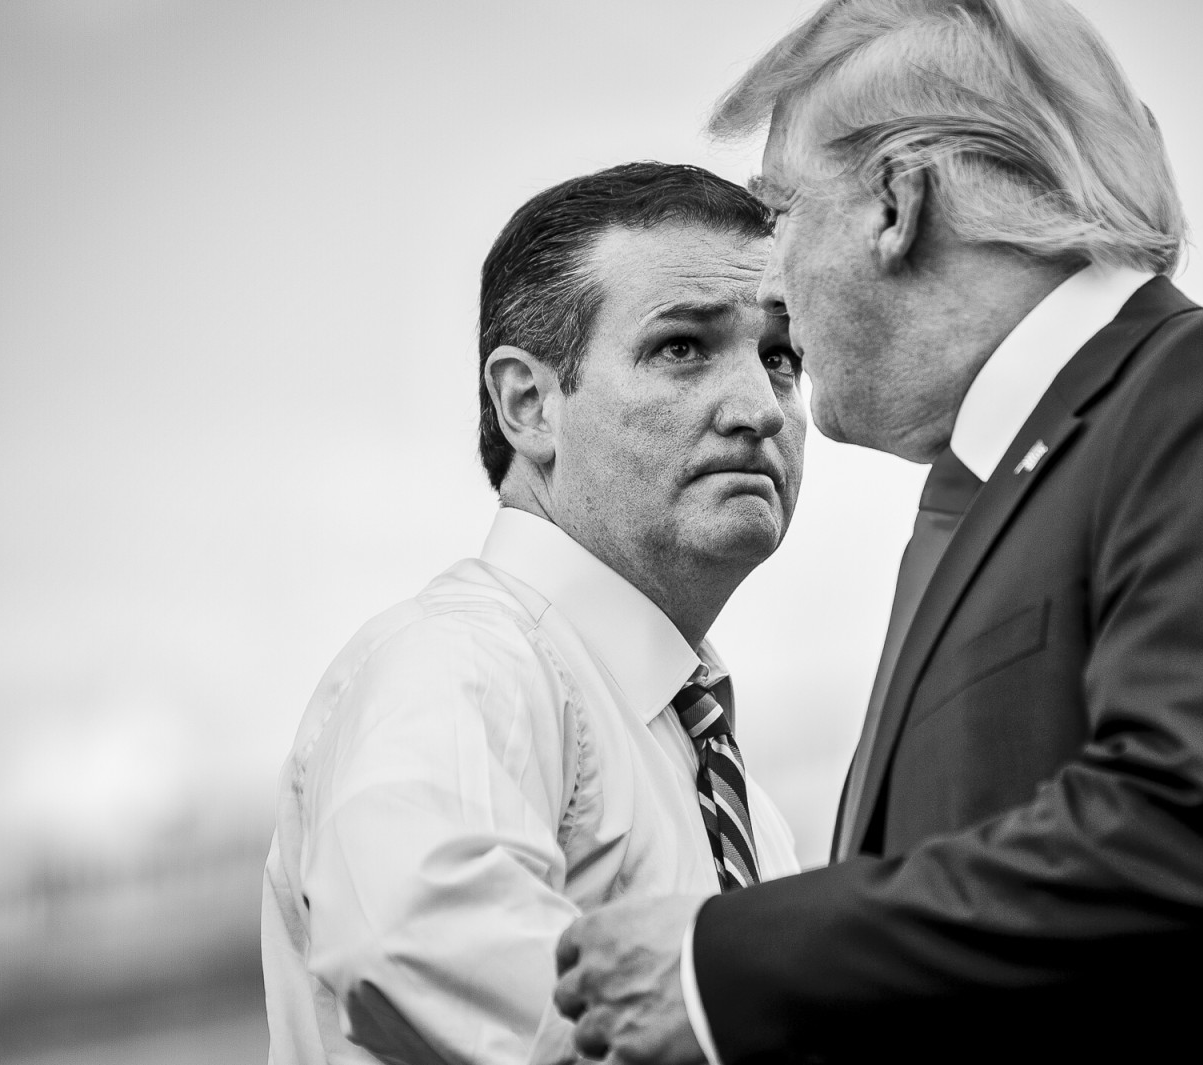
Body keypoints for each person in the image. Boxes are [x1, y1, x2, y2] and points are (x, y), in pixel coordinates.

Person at [550, 4, 1203, 1063]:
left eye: (779, 214)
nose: (767, 283)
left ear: (897, 203)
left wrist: (722, 969)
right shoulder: (986, 506)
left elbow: (1194, 836)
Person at [260, 161, 807, 1065]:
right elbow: (412, 946)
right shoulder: (460, 664)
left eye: (780, 356)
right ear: (529, 404)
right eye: (682, 347)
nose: (758, 406)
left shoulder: (708, 758)